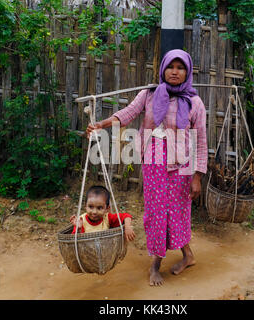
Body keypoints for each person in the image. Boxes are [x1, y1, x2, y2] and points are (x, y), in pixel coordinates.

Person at [86, 49, 207, 286]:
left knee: (178, 213)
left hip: (181, 166)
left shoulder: (194, 102)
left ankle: (188, 256)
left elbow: (201, 140)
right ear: (163, 69)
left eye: (180, 67)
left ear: (187, 71)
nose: (175, 71)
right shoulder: (150, 94)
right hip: (153, 164)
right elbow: (128, 113)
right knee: (156, 213)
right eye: (170, 66)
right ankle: (155, 264)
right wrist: (101, 124)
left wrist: (197, 176)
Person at [70, 185, 136, 242]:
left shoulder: (107, 217)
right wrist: (78, 228)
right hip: (87, 253)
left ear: (107, 209)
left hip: (104, 252)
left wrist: (127, 227)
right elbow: (74, 241)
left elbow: (126, 216)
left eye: (99, 208)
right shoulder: (81, 221)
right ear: (85, 206)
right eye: (90, 207)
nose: (94, 212)